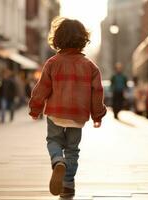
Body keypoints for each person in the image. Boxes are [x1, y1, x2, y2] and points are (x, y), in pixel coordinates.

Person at [28, 17, 107, 198]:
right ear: (83, 39)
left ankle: (57, 162)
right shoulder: (90, 66)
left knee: (53, 141)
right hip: (77, 116)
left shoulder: (52, 63)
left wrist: (35, 108)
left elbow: (42, 89)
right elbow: (97, 92)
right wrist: (97, 115)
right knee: (72, 150)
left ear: (57, 39)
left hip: (55, 113)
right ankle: (68, 185)